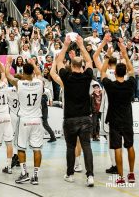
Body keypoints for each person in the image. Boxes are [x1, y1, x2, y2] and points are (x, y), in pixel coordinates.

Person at [54, 35, 94, 187]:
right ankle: (90, 176)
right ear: (82, 65)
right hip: (85, 118)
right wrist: (81, 46)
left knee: (70, 147)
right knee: (87, 147)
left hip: (70, 118)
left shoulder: (66, 76)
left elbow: (58, 62)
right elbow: (90, 61)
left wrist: (65, 45)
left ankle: (70, 174)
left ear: (70, 64)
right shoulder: (87, 76)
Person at [101, 38, 136, 184]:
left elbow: (102, 71)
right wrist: (124, 53)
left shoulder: (110, 85)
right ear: (124, 73)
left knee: (117, 148)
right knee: (130, 146)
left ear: (114, 73)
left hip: (114, 120)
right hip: (127, 118)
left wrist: (108, 55)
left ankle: (121, 177)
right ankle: (131, 173)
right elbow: (132, 70)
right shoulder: (131, 83)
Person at [5, 56, 44, 185]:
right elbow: (40, 73)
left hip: (24, 120)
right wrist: (33, 63)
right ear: (33, 72)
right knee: (37, 149)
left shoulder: (19, 83)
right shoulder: (39, 82)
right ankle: (36, 176)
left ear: (23, 73)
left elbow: (8, 75)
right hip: (37, 120)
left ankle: (24, 173)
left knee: (21, 148)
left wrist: (9, 63)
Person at [93, 33, 118, 174]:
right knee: (118, 140)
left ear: (107, 63)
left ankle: (115, 164)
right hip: (121, 109)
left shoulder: (105, 73)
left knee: (110, 139)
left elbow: (95, 57)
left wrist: (104, 43)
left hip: (109, 110)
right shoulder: (123, 72)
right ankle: (118, 163)